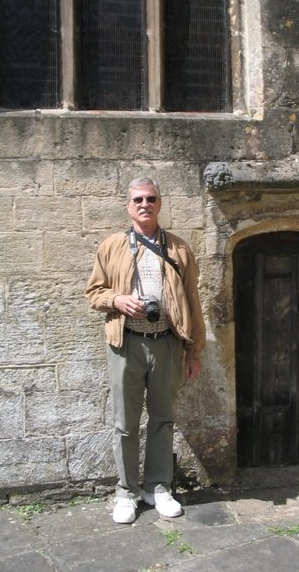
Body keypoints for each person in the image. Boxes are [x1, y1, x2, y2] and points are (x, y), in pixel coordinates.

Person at [85, 177, 206, 523]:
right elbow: (93, 292)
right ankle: (126, 492)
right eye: (137, 199)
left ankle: (157, 487)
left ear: (159, 203)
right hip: (127, 344)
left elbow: (193, 303)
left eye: (151, 198)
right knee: (125, 423)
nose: (144, 204)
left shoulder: (179, 248)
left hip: (167, 343)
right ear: (128, 206)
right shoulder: (111, 246)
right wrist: (117, 299)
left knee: (163, 418)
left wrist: (193, 351)